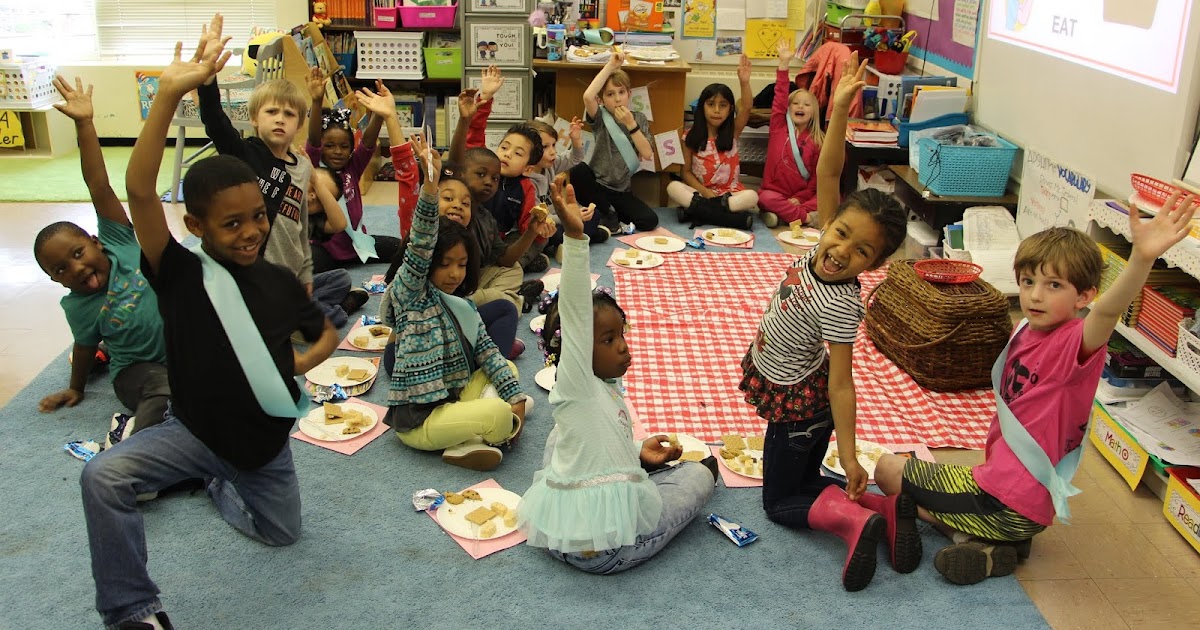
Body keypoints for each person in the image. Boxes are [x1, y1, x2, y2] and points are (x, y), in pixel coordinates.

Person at [80, 20, 338, 628]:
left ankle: (216, 485)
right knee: (102, 478)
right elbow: (139, 190)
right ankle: (132, 611)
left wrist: (298, 364)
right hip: (192, 431)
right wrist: (170, 94)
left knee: (283, 536)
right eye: (231, 225)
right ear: (197, 228)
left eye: (257, 218)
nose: (250, 232)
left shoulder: (276, 281)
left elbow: (325, 330)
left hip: (263, 448)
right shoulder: (176, 272)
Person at [874, 194, 1199, 586]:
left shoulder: (1075, 344)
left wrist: (1142, 258)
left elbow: (1109, 312)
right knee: (929, 473)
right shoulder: (1027, 329)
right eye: (1028, 282)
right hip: (1007, 488)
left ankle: (972, 534)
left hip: (1005, 499)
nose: (1036, 294)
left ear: (1084, 296)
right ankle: (995, 545)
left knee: (888, 470)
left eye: (1053, 285)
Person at [739, 54, 908, 592]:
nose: (841, 253)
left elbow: (842, 381)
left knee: (781, 500)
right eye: (840, 235)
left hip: (802, 403)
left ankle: (854, 520)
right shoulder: (820, 241)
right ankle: (885, 507)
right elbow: (830, 170)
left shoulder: (840, 301)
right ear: (827, 223)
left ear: (874, 266)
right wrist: (836, 110)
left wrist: (852, 453)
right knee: (805, 476)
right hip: (789, 387)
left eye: (862, 253)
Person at [519, 175, 717, 574]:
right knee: (698, 476)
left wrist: (636, 453)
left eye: (620, 335)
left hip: (556, 528)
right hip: (606, 549)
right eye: (607, 340)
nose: (623, 346)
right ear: (573, 350)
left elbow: (597, 439)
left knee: (564, 435)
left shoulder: (592, 390)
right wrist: (575, 239)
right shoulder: (576, 381)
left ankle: (629, 471)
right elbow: (575, 313)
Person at [197, 35, 367, 329]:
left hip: (290, 273)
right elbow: (215, 122)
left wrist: (304, 275)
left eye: (289, 114)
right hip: (255, 274)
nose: (280, 119)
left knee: (339, 278)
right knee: (313, 320)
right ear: (254, 118)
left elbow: (301, 226)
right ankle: (310, 315)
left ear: (299, 125)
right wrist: (208, 80)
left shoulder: (301, 167)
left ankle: (304, 311)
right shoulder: (246, 153)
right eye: (271, 112)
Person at [381, 134, 528, 472]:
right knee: (497, 414)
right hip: (420, 419)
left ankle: (469, 439)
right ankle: (480, 432)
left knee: (509, 371)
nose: (454, 274)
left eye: (461, 265)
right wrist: (431, 186)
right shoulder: (411, 293)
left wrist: (516, 397)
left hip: (453, 397)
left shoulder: (464, 306)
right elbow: (420, 243)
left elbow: (489, 352)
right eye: (444, 264)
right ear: (427, 265)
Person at [35, 75, 171, 440]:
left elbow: (98, 186)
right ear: (55, 280)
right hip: (136, 373)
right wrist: (76, 387)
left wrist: (85, 123)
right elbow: (83, 346)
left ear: (96, 241)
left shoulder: (118, 240)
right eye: (62, 269)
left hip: (182, 351)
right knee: (164, 392)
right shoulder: (79, 307)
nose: (77, 267)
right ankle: (133, 451)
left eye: (78, 253)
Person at [451, 66, 556, 273]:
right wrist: (486, 98)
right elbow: (474, 134)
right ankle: (508, 268)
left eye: (517, 153)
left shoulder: (526, 187)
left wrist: (541, 228)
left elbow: (527, 224)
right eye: (504, 148)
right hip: (469, 233)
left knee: (538, 241)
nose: (507, 154)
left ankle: (515, 265)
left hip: (501, 241)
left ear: (528, 168)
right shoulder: (485, 165)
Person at [304, 69, 400, 272]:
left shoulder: (353, 168)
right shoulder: (314, 168)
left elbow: (367, 142)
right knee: (307, 266)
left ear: (350, 149)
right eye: (329, 146)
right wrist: (316, 101)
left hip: (357, 244)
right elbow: (313, 141)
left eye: (344, 146)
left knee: (401, 247)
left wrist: (380, 115)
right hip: (325, 249)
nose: (337, 152)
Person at [569, 51, 659, 241]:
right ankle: (608, 215)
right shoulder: (601, 116)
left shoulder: (639, 119)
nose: (617, 99)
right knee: (578, 172)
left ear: (629, 94)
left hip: (621, 191)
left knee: (650, 220)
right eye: (610, 94)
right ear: (601, 99)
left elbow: (647, 154)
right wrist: (611, 65)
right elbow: (587, 96)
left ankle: (607, 215)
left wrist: (631, 125)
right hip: (596, 185)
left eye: (621, 92)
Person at [670, 55, 760, 229]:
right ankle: (726, 218)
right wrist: (706, 193)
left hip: (731, 196)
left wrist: (744, 82)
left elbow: (747, 107)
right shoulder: (689, 136)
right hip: (702, 193)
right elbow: (686, 173)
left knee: (752, 197)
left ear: (730, 109)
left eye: (723, 105)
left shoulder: (733, 131)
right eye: (711, 104)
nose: (716, 110)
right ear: (702, 106)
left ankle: (698, 212)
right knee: (673, 187)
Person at [758, 40, 825, 228]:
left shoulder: (819, 141)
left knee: (834, 196)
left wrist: (799, 198)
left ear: (814, 111)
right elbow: (779, 97)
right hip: (774, 193)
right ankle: (806, 219)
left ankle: (781, 216)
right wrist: (783, 65)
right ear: (788, 109)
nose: (800, 107)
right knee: (764, 198)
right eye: (795, 103)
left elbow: (815, 180)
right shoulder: (779, 127)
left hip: (802, 197)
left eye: (806, 104)